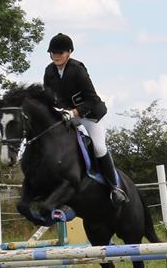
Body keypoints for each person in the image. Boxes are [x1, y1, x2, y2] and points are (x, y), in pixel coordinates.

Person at [42, 32, 128, 207]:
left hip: (90, 115)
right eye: (53, 52)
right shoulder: (49, 71)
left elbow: (92, 99)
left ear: (69, 52)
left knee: (98, 147)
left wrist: (74, 113)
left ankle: (115, 188)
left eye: (60, 52)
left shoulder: (77, 70)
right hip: (68, 115)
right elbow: (48, 97)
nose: (56, 56)